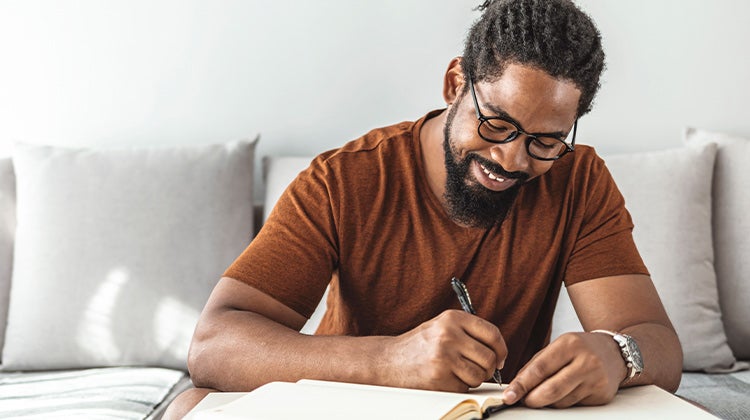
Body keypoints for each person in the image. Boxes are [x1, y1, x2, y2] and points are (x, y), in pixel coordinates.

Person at [165, 0, 683, 417]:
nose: (511, 158)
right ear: (456, 83)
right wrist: (391, 359)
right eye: (496, 124)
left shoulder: (579, 181)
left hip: (492, 411)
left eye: (545, 141)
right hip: (348, 405)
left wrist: (620, 355)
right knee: (189, 406)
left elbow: (657, 341)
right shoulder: (344, 179)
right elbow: (214, 345)